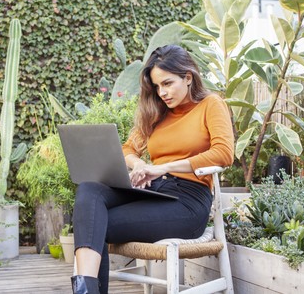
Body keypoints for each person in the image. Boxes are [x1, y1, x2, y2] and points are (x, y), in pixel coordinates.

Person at [70, 44, 234, 294]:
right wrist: (140, 165)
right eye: (157, 87)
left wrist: (162, 167)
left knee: (94, 224)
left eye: (167, 83)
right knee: (89, 189)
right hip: (156, 190)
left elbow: (223, 154)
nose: (162, 93)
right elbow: (128, 148)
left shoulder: (211, 104)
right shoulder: (157, 112)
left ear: (188, 77)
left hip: (188, 203)